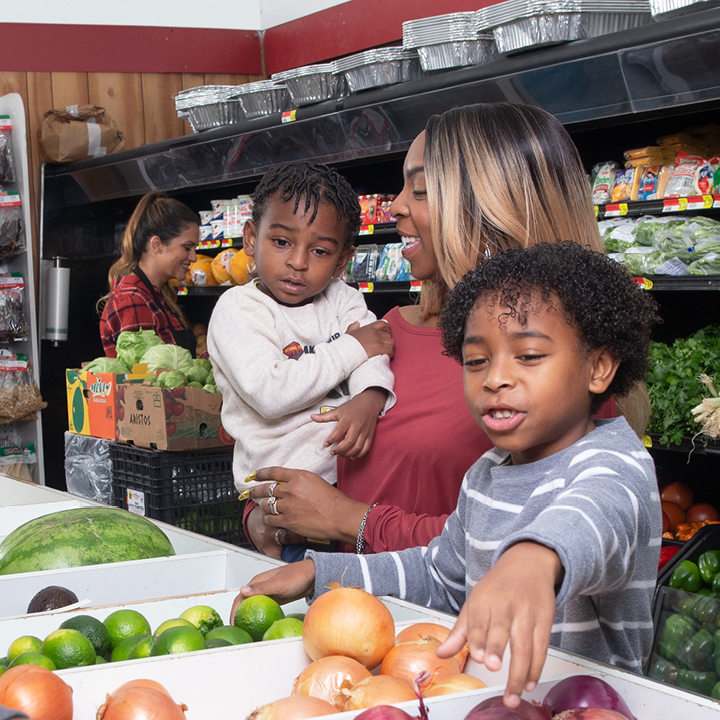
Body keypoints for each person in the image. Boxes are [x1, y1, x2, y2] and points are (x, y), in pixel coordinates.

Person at [233, 241, 662, 707]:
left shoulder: (615, 463)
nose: (495, 378)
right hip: (494, 707)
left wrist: (534, 560)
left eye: (529, 356)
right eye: (477, 360)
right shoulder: (486, 475)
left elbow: (594, 516)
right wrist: (323, 572)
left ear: (598, 367)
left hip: (594, 710)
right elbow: (440, 575)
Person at [244, 102, 642, 559]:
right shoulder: (377, 334)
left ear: (493, 205)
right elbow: (293, 453)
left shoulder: (557, 366)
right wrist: (270, 515)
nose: (394, 206)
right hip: (343, 615)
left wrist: (347, 519)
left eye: (419, 190)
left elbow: (527, 545)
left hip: (448, 627)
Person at [207, 161, 396, 560]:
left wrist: (370, 397)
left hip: (350, 494)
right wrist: (352, 347)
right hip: (284, 502)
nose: (298, 261)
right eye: (281, 242)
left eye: (320, 251)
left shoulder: (343, 299)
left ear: (342, 260)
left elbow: (375, 348)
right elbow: (270, 391)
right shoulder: (238, 309)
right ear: (251, 238)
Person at [99, 192, 200, 358]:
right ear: (157, 245)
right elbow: (144, 377)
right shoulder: (131, 300)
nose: (193, 257)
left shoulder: (157, 297)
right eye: (187, 248)